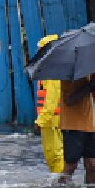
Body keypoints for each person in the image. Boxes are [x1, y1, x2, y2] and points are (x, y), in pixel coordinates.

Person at [57, 74, 95, 185]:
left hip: (90, 124)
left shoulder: (91, 72)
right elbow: (69, 100)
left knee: (92, 165)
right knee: (71, 166)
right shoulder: (68, 75)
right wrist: (89, 87)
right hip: (72, 125)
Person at [33, 34, 65, 174]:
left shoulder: (52, 72)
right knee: (51, 153)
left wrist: (41, 121)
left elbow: (51, 99)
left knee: (55, 153)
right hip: (51, 119)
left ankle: (60, 182)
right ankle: (59, 180)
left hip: (53, 119)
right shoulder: (51, 69)